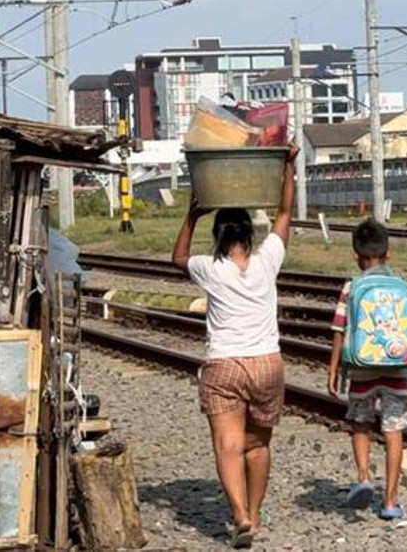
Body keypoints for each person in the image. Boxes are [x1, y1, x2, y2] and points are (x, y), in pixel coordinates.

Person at [172, 143, 298, 549]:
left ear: (220, 236)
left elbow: (178, 258)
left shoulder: (210, 269)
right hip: (266, 363)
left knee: (228, 445)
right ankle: (255, 517)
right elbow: (284, 215)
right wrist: (289, 168)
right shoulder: (267, 262)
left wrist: (190, 217)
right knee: (257, 444)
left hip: (224, 365)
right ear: (248, 234)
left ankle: (239, 514)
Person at [327, 219, 407, 520]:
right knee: (394, 430)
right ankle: (391, 502)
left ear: (356, 254)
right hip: (397, 369)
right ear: (388, 253)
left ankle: (363, 478)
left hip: (361, 369)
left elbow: (339, 329)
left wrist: (333, 370)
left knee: (361, 423)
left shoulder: (352, 286)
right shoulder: (402, 285)